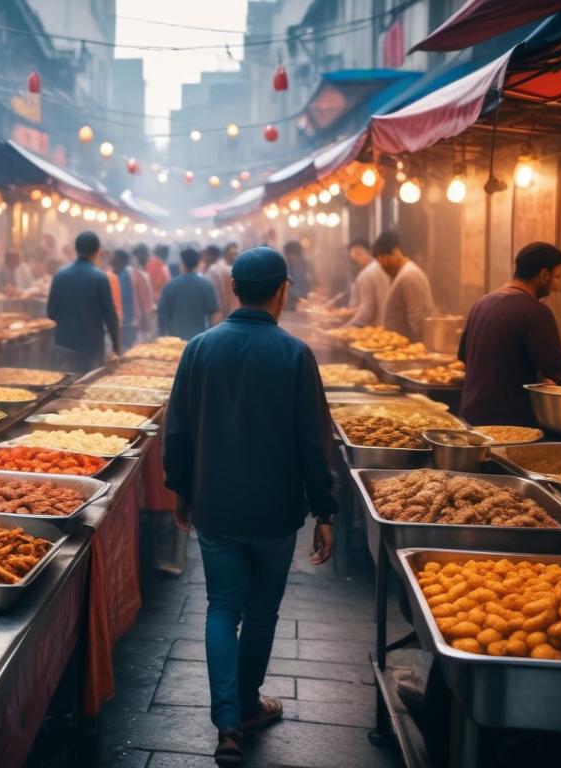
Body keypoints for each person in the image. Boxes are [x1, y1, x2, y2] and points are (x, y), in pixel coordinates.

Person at [162, 246, 336, 764]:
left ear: (232, 289)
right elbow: (314, 442)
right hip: (275, 512)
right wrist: (324, 511)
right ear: (283, 289)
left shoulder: (199, 348)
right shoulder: (295, 354)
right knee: (261, 612)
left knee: (221, 608)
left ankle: (226, 724)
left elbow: (179, 429)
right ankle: (247, 706)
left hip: (216, 506)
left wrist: (181, 490)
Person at [459, 243, 561, 426]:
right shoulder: (535, 311)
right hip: (509, 425)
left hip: (471, 419)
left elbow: (464, 357)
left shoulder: (482, 303)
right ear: (543, 275)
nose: (557, 286)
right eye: (557, 277)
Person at [47, 231, 121, 373]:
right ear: (98, 250)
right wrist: (116, 348)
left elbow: (51, 313)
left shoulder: (60, 275)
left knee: (63, 389)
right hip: (91, 348)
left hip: (63, 346)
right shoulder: (100, 278)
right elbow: (110, 316)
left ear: (76, 249)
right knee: (86, 390)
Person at [374, 231, 435, 341]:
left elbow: (418, 322)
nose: (382, 264)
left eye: (382, 258)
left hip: (407, 350)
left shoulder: (409, 276)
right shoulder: (404, 273)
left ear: (396, 251)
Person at [158, 248, 220, 341]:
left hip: (175, 341)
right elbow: (214, 314)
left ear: (182, 263)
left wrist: (162, 336)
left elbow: (162, 313)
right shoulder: (206, 285)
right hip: (199, 339)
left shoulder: (171, 285)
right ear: (198, 263)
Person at [341, 238, 390, 327]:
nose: (356, 263)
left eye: (355, 259)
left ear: (359, 252)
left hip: (375, 326)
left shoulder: (367, 274)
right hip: (385, 324)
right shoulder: (380, 267)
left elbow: (367, 309)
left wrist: (347, 327)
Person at [112, 250, 141, 347]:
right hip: (125, 321)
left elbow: (122, 298)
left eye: (114, 257)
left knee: (126, 349)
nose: (112, 259)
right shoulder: (122, 274)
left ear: (120, 260)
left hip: (126, 322)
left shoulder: (125, 276)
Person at [281, 241, 311, 310]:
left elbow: (303, 280)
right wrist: (298, 296)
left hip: (296, 301)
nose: (295, 258)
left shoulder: (301, 263)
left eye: (297, 256)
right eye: (293, 255)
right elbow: (286, 285)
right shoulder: (282, 265)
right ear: (288, 254)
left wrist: (305, 295)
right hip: (286, 303)